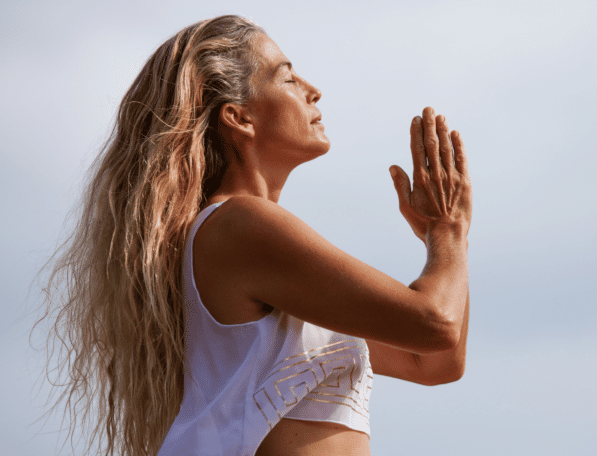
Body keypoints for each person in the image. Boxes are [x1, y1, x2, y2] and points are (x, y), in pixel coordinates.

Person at [35, 14, 471, 456]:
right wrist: (449, 231)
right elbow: (435, 324)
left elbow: (434, 362)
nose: (312, 89)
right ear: (239, 117)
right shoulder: (238, 225)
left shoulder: (253, 246)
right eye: (287, 78)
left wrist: (448, 233)